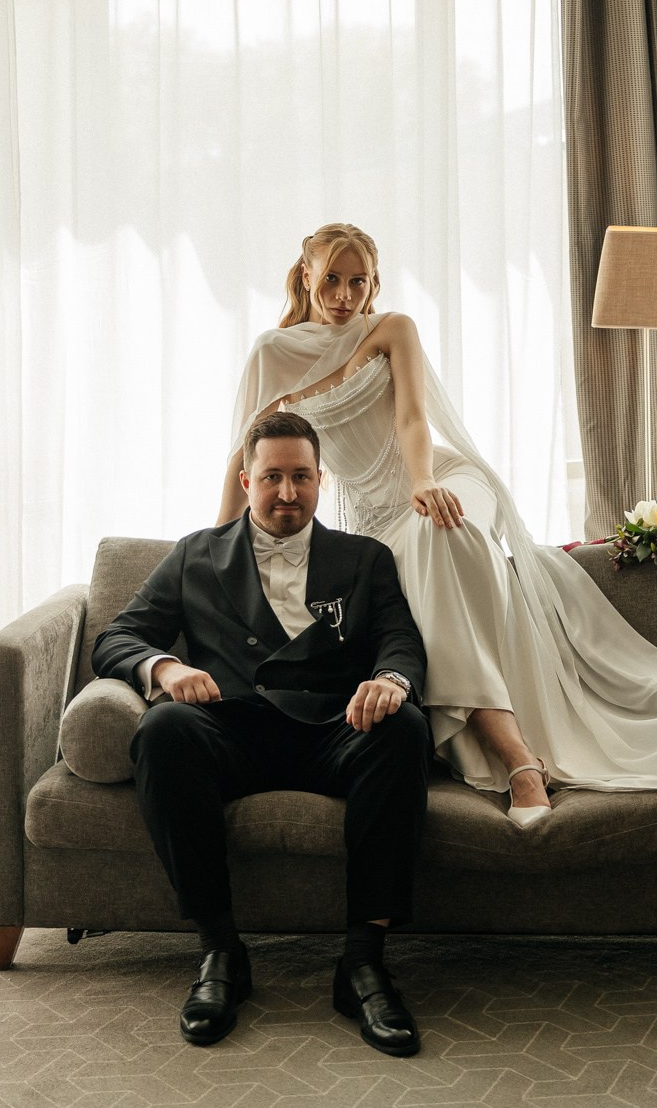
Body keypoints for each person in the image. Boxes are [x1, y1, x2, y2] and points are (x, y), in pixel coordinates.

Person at [217, 222, 657, 1007]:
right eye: (332, 279)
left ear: (376, 283)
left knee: (443, 533)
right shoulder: (271, 353)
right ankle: (514, 746)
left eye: (359, 280)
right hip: (373, 518)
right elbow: (244, 458)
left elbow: (412, 422)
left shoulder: (392, 329)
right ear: (305, 274)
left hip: (437, 484)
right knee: (417, 557)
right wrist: (214, 551)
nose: (345, 295)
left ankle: (517, 760)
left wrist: (423, 481)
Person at [94, 411, 431, 1056]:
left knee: (404, 727)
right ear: (246, 481)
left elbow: (400, 640)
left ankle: (363, 962)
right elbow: (118, 637)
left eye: (301, 476)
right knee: (164, 729)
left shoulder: (365, 557)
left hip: (335, 728)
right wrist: (166, 668)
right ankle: (221, 951)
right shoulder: (196, 553)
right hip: (234, 731)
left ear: (321, 480)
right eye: (272, 476)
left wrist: (390, 679)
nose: (287, 492)